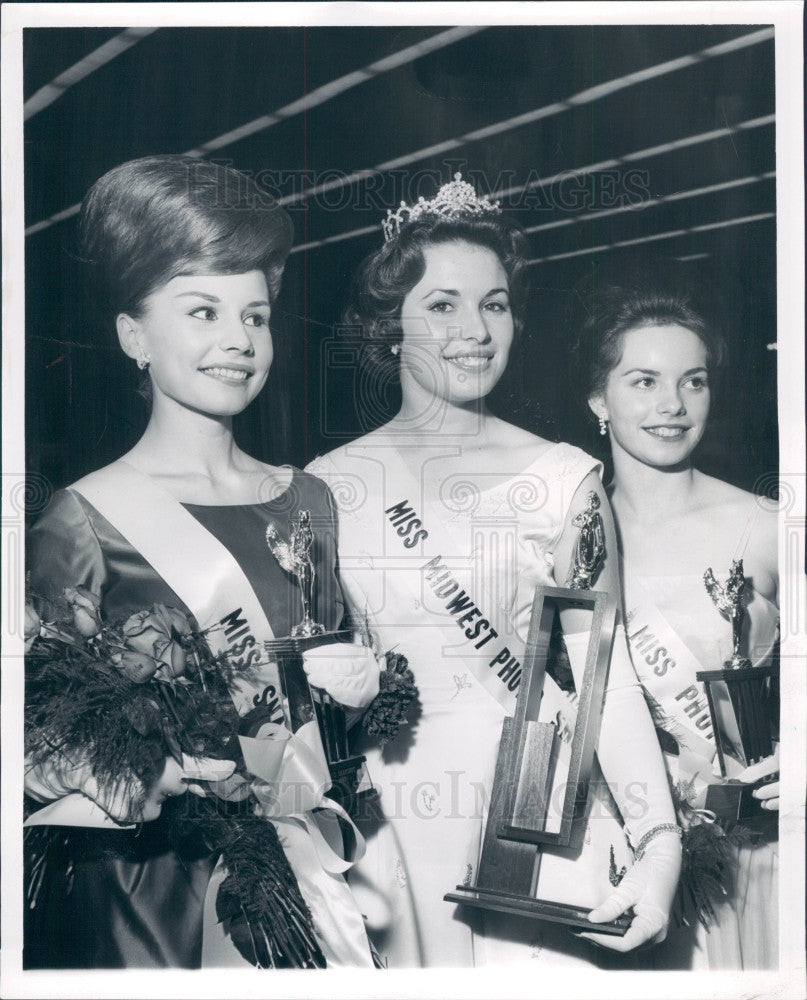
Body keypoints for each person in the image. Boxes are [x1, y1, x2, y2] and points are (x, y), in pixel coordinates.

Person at [306, 176, 682, 967]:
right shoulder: (326, 485)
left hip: (531, 809)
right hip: (389, 820)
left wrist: (657, 844)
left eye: (495, 302)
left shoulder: (562, 479)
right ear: (388, 327)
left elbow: (599, 682)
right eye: (442, 304)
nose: (475, 329)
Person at [24, 155, 378, 969]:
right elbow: (34, 733)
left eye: (254, 318)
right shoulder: (81, 520)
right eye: (202, 311)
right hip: (151, 900)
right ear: (132, 336)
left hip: (298, 872)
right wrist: (145, 768)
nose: (236, 340)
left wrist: (356, 690)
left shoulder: (308, 501)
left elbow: (334, 734)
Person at [578, 270, 779, 969]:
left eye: (692, 381)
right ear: (596, 398)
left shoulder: (765, 527)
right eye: (643, 381)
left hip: (757, 862)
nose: (672, 404)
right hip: (625, 856)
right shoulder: (568, 539)